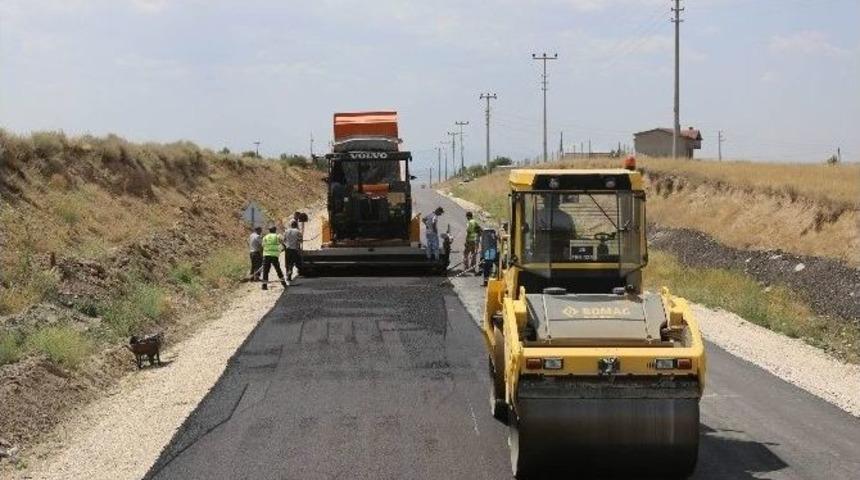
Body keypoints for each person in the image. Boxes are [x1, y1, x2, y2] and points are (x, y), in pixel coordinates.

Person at [261, 226, 287, 291]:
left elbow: (263, 245)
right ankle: (284, 283)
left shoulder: (265, 237)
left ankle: (264, 286)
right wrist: (282, 249)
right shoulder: (277, 236)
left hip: (266, 256)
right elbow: (283, 242)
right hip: (274, 256)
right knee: (278, 270)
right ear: (275, 230)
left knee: (265, 271)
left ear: (269, 231)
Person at [283, 220, 303, 284]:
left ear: (291, 225)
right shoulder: (298, 232)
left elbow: (284, 240)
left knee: (288, 263)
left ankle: (288, 276)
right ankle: (300, 273)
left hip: (288, 250)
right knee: (296, 262)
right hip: (294, 250)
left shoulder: (286, 231)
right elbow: (300, 241)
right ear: (296, 225)